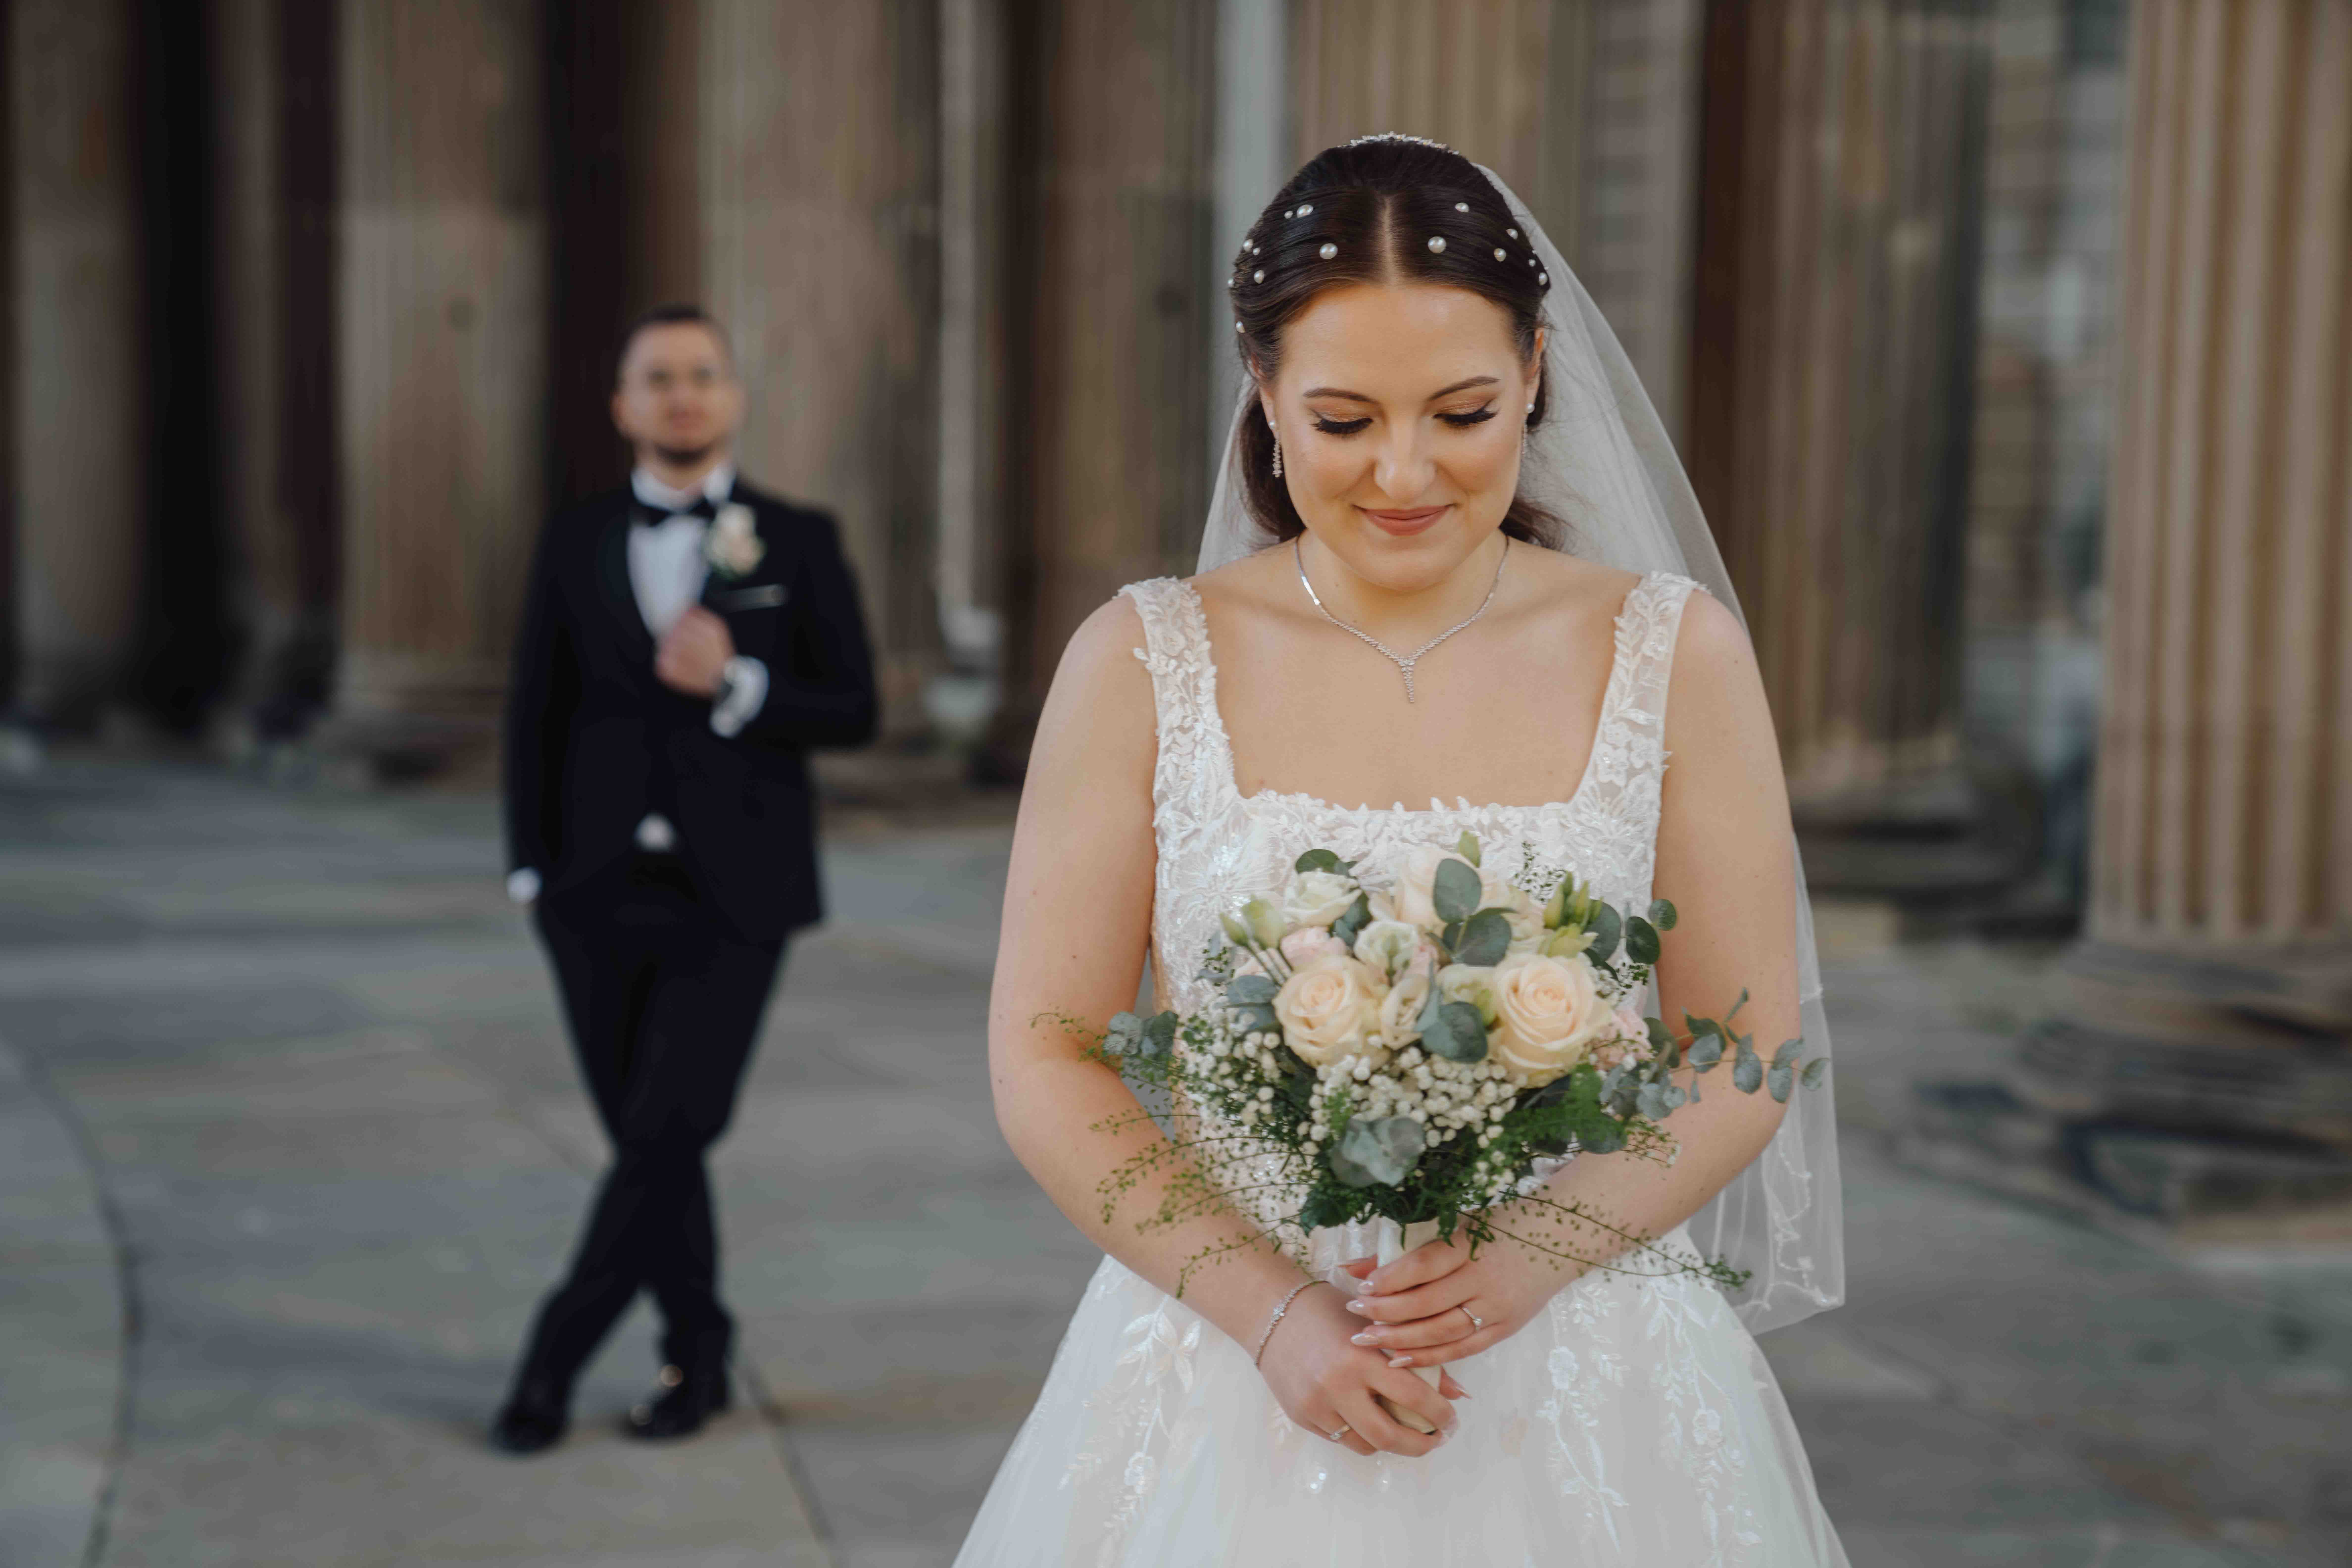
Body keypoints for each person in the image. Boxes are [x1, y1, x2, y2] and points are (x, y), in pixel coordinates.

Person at [958, 138, 1847, 1562]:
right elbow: (1045, 1053)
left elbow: (1737, 1050)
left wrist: (1529, 1262)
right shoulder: (1141, 661)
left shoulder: (1672, 653)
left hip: (1586, 1362)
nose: (1405, 471)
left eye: (1463, 411)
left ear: (1540, 370)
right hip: (1232, 1360)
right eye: (1343, 418)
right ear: (1262, 395)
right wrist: (1271, 1314)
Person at [490, 304, 878, 1453]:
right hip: (591, 891)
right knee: (652, 1147)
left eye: (703, 374)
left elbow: (854, 708)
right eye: (657, 377)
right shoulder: (575, 541)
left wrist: (742, 683)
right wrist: (530, 870)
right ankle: (698, 1348)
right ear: (623, 405)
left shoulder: (797, 539)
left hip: (737, 895)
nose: (682, 396)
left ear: (734, 397)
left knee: (670, 1129)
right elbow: (534, 711)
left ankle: (552, 1356)